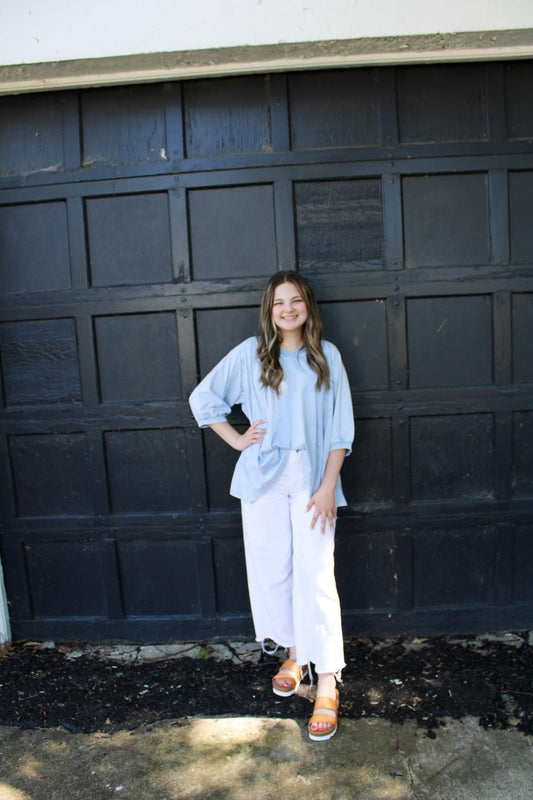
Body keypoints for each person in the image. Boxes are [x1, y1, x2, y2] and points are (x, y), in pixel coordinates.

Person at [189, 270, 354, 741]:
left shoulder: (328, 358)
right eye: (279, 302)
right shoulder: (251, 354)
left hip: (311, 478)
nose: (287, 309)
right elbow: (203, 398)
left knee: (317, 574)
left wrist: (327, 485)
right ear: (269, 309)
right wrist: (239, 440)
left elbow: (341, 431)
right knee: (273, 568)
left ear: (307, 307)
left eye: (295, 301)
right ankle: (296, 652)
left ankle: (326, 680)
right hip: (263, 478)